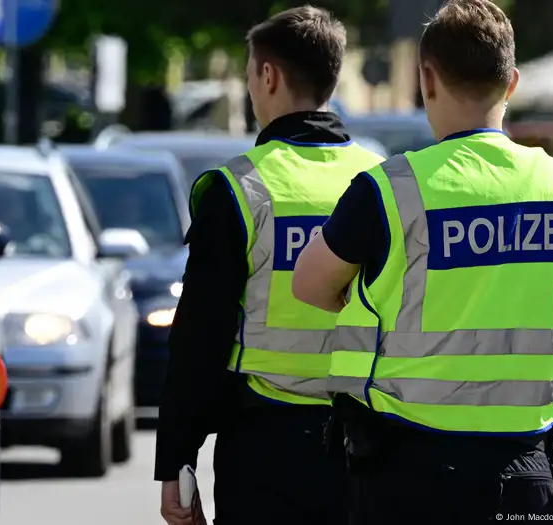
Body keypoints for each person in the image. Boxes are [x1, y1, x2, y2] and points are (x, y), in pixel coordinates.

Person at [291, 1, 553, 523]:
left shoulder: (390, 188)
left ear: (426, 79)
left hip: (412, 470)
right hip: (527, 470)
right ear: (512, 83)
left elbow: (309, 285)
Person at [155, 7, 385, 525]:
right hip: (369, 444)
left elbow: (199, 337)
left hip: (266, 449)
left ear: (268, 75)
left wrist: (177, 459)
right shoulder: (386, 183)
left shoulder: (240, 189)